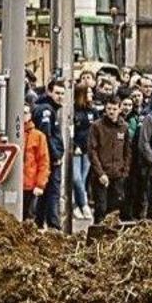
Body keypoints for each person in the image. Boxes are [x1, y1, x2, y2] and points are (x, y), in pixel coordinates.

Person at [86, 95, 131, 222]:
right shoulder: (97, 126)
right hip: (101, 175)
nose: (111, 112)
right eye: (109, 108)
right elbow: (92, 151)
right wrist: (100, 173)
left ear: (119, 109)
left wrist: (125, 171)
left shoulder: (124, 127)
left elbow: (128, 151)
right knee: (101, 208)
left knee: (115, 209)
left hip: (118, 174)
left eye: (114, 109)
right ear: (105, 109)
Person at [32, 81, 67, 229]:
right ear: (49, 92)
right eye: (57, 93)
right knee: (53, 193)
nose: (60, 97)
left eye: (62, 94)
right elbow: (45, 136)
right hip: (50, 160)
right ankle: (54, 226)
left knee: (45, 195)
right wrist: (55, 156)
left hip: (48, 159)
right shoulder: (46, 110)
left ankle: (39, 223)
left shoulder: (48, 108)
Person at [68, 84, 97, 221]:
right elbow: (70, 131)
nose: (91, 95)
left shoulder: (92, 111)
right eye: (89, 92)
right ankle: (81, 204)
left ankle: (79, 204)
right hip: (76, 149)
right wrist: (74, 145)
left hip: (88, 150)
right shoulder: (74, 111)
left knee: (83, 179)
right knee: (76, 178)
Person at [20, 105, 52, 228]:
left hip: (31, 185)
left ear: (30, 115)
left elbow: (43, 162)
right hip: (15, 185)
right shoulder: (10, 133)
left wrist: (40, 184)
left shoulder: (38, 136)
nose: (23, 115)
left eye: (26, 112)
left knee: (29, 219)